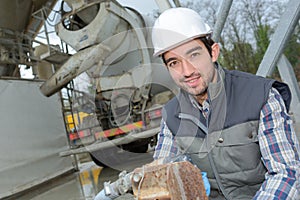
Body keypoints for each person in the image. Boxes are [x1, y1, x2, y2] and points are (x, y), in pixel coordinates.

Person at [150, 7, 300, 200]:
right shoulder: (172, 116)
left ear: (213, 52)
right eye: (174, 62)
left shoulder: (260, 96)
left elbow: (287, 173)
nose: (186, 71)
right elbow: (164, 177)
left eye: (194, 55)